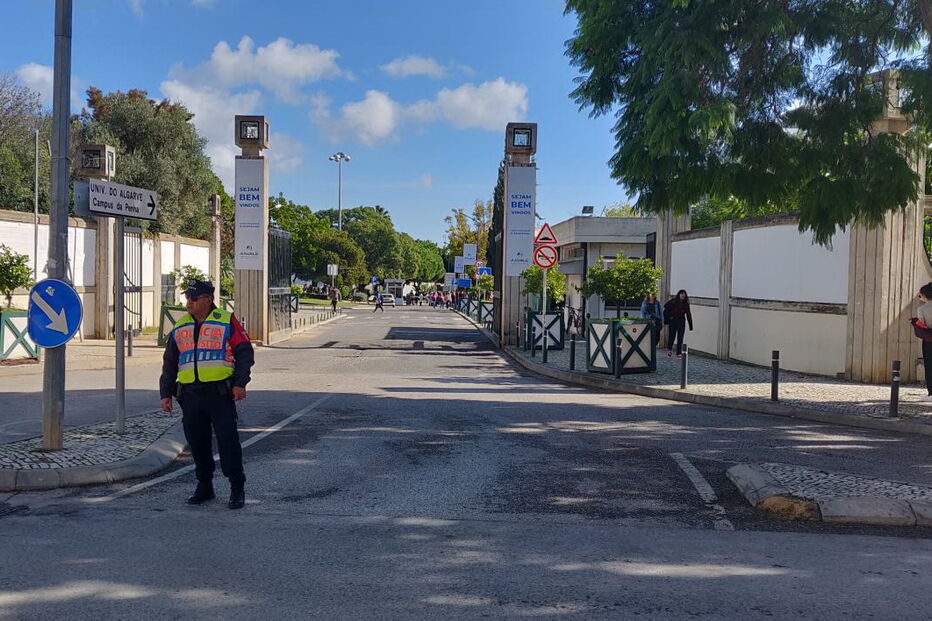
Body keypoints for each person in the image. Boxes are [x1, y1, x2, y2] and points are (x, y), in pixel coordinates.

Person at [159, 279, 254, 509]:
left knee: (228, 442)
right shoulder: (181, 326)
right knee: (198, 443)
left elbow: (244, 352)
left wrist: (240, 383)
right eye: (187, 298)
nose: (188, 302)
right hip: (190, 396)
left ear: (208, 299)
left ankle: (236, 487)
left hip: (220, 394)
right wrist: (165, 393)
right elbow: (170, 362)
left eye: (193, 298)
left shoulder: (225, 321)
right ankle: (204, 486)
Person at [911, 283, 932, 402]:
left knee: (929, 365)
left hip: (929, 340)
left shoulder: (922, 309)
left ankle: (931, 392)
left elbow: (922, 325)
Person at [663, 289, 693, 358]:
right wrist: (667, 320)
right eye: (682, 294)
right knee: (672, 336)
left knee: (680, 337)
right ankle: (669, 349)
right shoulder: (673, 301)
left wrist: (690, 325)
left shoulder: (686, 304)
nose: (683, 295)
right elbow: (666, 309)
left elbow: (688, 314)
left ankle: (678, 353)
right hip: (673, 321)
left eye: (684, 294)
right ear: (679, 295)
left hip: (681, 322)